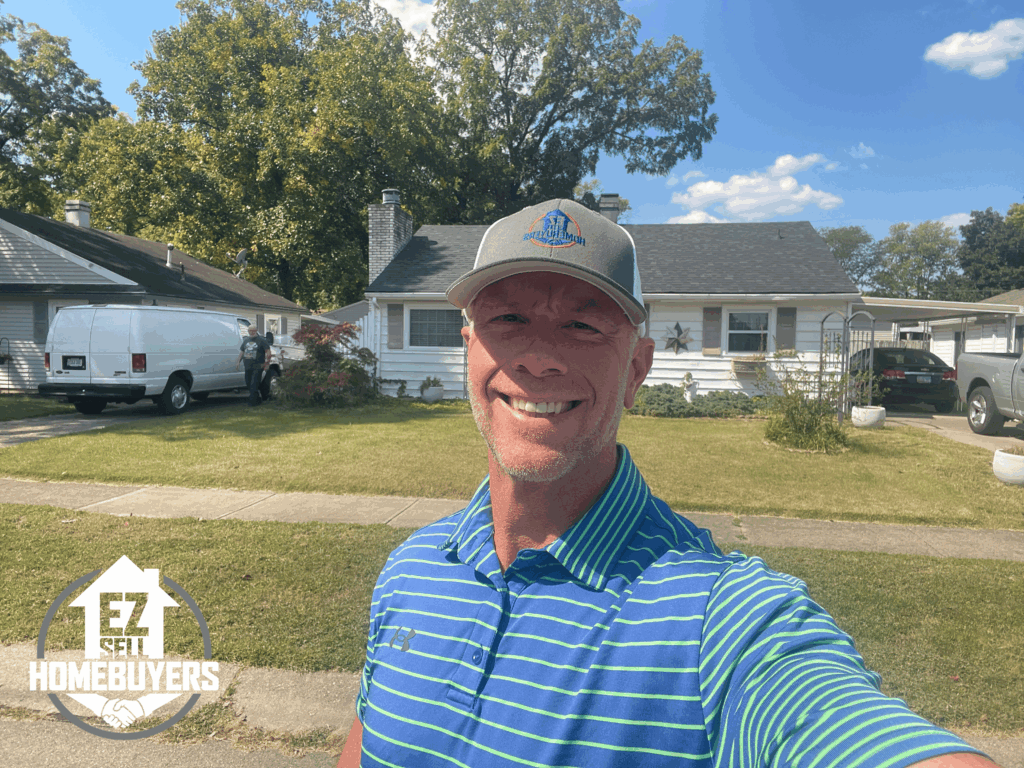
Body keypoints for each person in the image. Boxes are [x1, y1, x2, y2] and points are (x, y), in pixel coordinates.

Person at [338, 200, 999, 768]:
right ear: (469, 348)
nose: (538, 354)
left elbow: (825, 713)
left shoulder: (721, 620)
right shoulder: (410, 571)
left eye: (582, 324)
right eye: (506, 319)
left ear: (637, 368)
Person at [236, 324, 272, 406]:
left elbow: (268, 352)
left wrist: (267, 363)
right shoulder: (246, 340)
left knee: (254, 383)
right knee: (248, 383)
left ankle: (253, 402)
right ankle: (257, 399)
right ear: (248, 331)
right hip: (248, 365)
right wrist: (238, 361)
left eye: (253, 330)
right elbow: (242, 352)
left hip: (258, 365)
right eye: (250, 331)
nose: (251, 332)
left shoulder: (262, 340)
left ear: (256, 330)